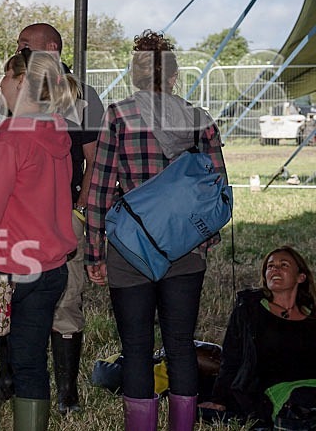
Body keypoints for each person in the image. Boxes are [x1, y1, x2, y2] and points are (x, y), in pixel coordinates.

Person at [85, 30, 228, 431]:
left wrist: (95, 251)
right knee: (181, 345)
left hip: (131, 250)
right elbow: (217, 189)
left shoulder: (119, 116)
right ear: (175, 75)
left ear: (135, 75)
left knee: (136, 348)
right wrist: (205, 238)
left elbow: (98, 189)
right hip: (185, 248)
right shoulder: (201, 121)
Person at [0, 51, 77, 430]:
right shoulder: (58, 136)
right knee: (31, 362)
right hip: (49, 269)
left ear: (21, 82)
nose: (0, 84)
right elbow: (39, 197)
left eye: (4, 76)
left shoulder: (8, 141)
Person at [16, 22, 106, 413]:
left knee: (66, 299)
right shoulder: (17, 88)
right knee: (15, 294)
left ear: (51, 48)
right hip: (19, 213)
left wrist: (81, 209)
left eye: (25, 46)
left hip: (62, 213)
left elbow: (96, 160)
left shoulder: (81, 97)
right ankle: (12, 382)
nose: (19, 51)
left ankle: (67, 393)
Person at [199, 246, 316, 427]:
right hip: (279, 393)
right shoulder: (250, 311)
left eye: (283, 265)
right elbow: (231, 358)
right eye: (270, 266)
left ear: (301, 277)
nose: (275, 269)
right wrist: (219, 399)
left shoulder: (312, 316)